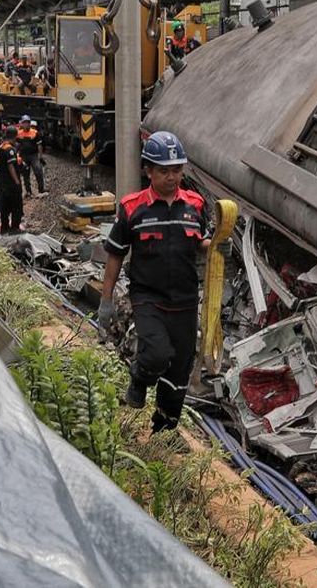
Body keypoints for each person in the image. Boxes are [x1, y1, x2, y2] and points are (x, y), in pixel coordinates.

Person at [99, 131, 211, 432]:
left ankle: (164, 428)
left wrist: (215, 245)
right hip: (149, 298)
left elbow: (201, 242)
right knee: (157, 354)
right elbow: (115, 254)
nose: (172, 177)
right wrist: (106, 300)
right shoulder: (133, 208)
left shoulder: (195, 205)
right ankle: (138, 379)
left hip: (186, 300)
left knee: (179, 372)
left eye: (177, 170)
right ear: (148, 170)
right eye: (164, 171)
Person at [0, 126, 23, 234]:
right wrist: (17, 181)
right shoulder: (10, 149)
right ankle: (15, 227)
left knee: (4, 206)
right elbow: (11, 166)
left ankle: (4, 228)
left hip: (3, 183)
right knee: (16, 205)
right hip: (11, 183)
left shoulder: (2, 146)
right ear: (15, 136)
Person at [15, 115, 46, 197]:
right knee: (25, 173)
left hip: (33, 155)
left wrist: (41, 156)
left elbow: (39, 145)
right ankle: (28, 191)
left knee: (38, 170)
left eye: (28, 122)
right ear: (22, 124)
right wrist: (17, 155)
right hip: (23, 156)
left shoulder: (35, 133)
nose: (26, 124)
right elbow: (17, 146)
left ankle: (41, 188)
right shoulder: (18, 133)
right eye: (24, 123)